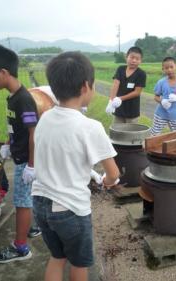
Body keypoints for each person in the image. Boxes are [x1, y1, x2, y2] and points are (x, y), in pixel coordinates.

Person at [32, 52, 120, 281]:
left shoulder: (45, 118)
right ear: (84, 87)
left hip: (40, 203)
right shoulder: (91, 127)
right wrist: (107, 182)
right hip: (69, 208)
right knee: (79, 264)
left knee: (57, 257)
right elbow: (113, 173)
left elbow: (57, 156)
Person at [0, 44, 40, 263]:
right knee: (29, 199)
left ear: (3, 73)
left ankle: (21, 248)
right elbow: (16, 127)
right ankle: (35, 226)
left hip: (26, 161)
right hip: (21, 156)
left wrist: (31, 165)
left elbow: (34, 133)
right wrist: (7, 142)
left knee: (22, 202)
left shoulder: (23, 99)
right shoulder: (13, 97)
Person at [150, 57, 176, 135]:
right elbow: (156, 96)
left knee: (175, 136)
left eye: (171, 67)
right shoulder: (161, 82)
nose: (169, 70)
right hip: (161, 113)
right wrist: (162, 101)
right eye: (166, 68)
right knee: (154, 134)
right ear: (163, 69)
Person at [105, 46, 146, 124]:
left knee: (131, 134)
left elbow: (137, 92)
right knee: (118, 132)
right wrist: (111, 100)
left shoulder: (141, 74)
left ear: (140, 61)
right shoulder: (120, 69)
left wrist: (120, 98)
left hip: (132, 111)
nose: (134, 60)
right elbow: (115, 84)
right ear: (126, 57)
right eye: (132, 57)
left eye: (137, 59)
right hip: (118, 108)